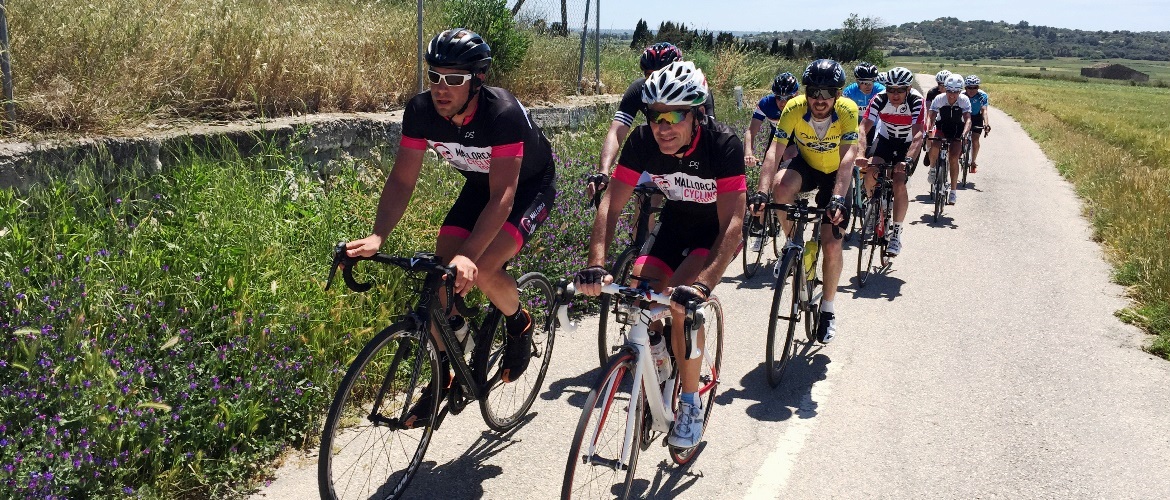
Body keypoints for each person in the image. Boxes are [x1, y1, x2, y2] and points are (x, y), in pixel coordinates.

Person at [346, 28, 556, 426]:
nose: (442, 88)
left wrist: (470, 256)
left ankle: (518, 322)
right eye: (435, 77)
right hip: (479, 186)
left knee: (486, 266)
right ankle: (445, 369)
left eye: (455, 79)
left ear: (477, 81)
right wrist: (378, 235)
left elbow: (504, 198)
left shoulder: (502, 114)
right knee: (439, 280)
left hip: (526, 188)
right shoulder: (422, 111)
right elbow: (403, 180)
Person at [576, 61, 746, 448]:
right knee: (640, 293)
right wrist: (596, 264)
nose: (662, 127)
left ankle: (689, 403)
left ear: (697, 113)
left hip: (715, 232)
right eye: (655, 116)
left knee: (682, 306)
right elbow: (611, 206)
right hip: (675, 223)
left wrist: (703, 286)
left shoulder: (722, 144)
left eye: (674, 115)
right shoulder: (641, 143)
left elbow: (733, 221)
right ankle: (659, 357)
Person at [754, 59, 858, 344]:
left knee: (832, 243)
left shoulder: (847, 110)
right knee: (780, 186)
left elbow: (849, 156)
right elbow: (774, 152)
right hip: (808, 166)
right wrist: (761, 191)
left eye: (827, 92)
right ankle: (792, 244)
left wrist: (838, 197)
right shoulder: (794, 108)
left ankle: (827, 309)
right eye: (814, 91)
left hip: (836, 173)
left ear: (838, 94)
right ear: (806, 92)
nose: (819, 99)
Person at [589, 43, 717, 200]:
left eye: (664, 72)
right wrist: (603, 171)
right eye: (649, 75)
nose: (656, 81)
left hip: (689, 153)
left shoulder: (695, 90)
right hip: (657, 150)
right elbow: (617, 131)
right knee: (646, 197)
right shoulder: (639, 89)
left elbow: (709, 135)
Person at [856, 67, 925, 257]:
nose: (894, 94)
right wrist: (861, 153)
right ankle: (873, 206)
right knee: (871, 171)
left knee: (898, 181)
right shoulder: (879, 99)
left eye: (900, 90)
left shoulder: (917, 101)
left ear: (908, 89)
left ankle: (896, 232)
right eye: (890, 89)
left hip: (908, 143)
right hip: (886, 139)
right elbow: (863, 127)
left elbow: (918, 134)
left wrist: (908, 160)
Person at [743, 72, 799, 252]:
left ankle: (791, 222)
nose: (783, 102)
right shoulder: (766, 104)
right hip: (777, 140)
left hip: (797, 141)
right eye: (779, 97)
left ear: (795, 96)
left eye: (787, 98)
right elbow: (751, 130)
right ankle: (760, 228)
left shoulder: (801, 106)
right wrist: (749, 152)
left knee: (786, 178)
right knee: (765, 179)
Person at [926, 74, 972, 206]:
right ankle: (933, 168)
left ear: (960, 91)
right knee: (934, 144)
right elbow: (931, 116)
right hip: (942, 127)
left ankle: (953, 191)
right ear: (945, 89)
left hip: (958, 129)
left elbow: (968, 119)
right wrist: (928, 129)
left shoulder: (964, 100)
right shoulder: (939, 99)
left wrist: (964, 134)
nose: (952, 95)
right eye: (949, 91)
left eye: (956, 92)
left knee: (954, 157)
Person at [842, 62, 885, 152]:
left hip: (875, 125)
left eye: (871, 82)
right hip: (856, 125)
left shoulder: (881, 90)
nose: (868, 86)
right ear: (857, 82)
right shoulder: (849, 92)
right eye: (864, 83)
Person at [963, 75, 991, 172]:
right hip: (964, 117)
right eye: (969, 87)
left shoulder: (982, 95)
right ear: (965, 87)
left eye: (975, 87)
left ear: (978, 88)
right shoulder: (962, 95)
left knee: (975, 140)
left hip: (976, 117)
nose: (972, 90)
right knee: (962, 138)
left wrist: (986, 124)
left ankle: (973, 161)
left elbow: (984, 111)